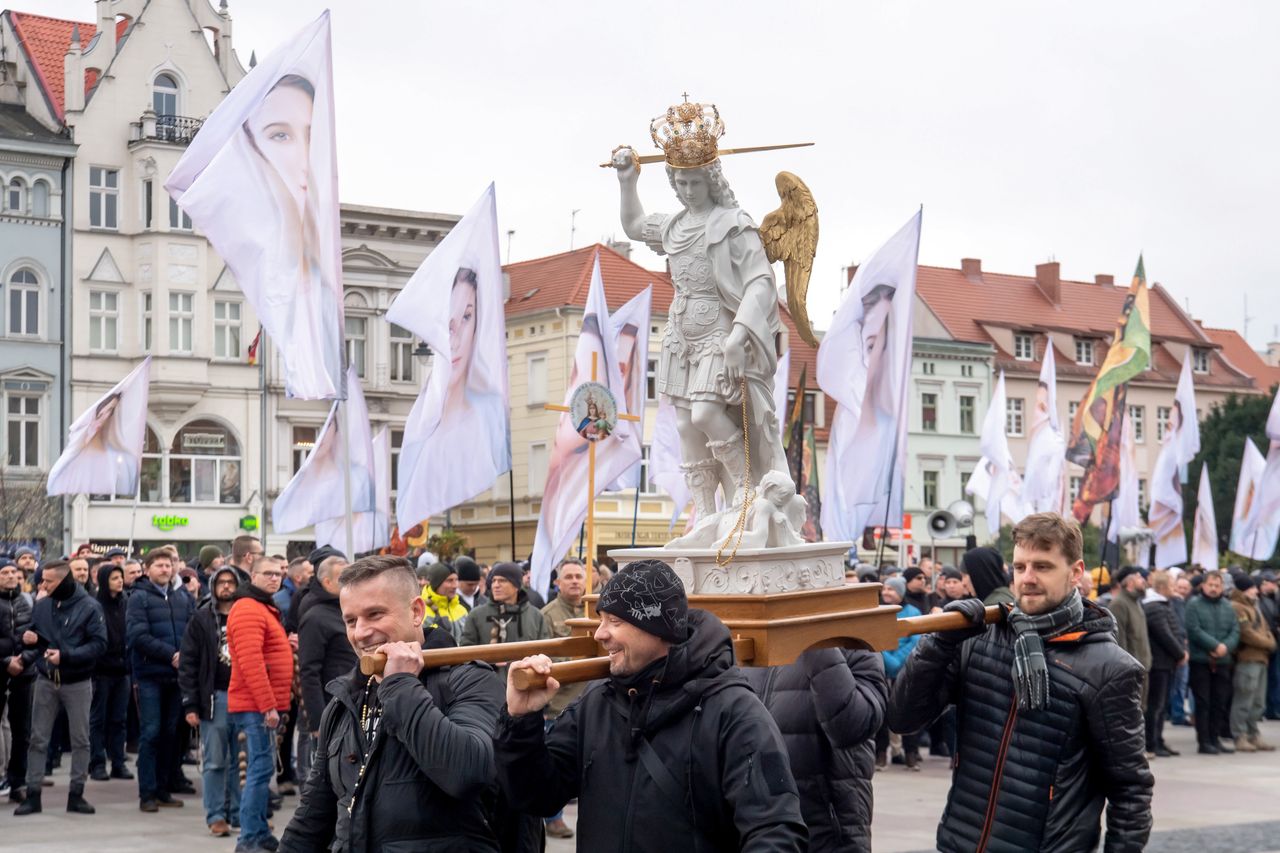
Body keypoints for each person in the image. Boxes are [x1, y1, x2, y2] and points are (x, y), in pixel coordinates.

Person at [496, 558, 806, 850]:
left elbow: (775, 830)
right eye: (601, 620)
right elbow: (537, 797)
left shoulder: (734, 712)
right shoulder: (596, 703)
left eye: (615, 621)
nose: (601, 634)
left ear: (657, 628)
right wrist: (521, 720)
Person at [888, 513, 1153, 851]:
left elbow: (1130, 789)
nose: (1027, 578)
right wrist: (941, 642)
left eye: (1042, 567)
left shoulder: (1109, 668)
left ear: (1075, 572)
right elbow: (903, 718)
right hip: (962, 842)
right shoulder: (979, 639)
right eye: (1020, 567)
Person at [279, 556, 504, 852]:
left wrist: (400, 685)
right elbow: (312, 816)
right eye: (350, 620)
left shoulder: (469, 680)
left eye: (374, 614)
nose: (360, 632)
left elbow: (466, 774)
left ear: (415, 611)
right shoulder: (346, 699)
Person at [16, 560, 107, 815]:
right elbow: (39, 638)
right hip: (46, 679)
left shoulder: (90, 607)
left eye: (48, 581)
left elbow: (99, 645)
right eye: (42, 580)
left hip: (77, 682)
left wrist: (66, 656)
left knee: (80, 740)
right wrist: (29, 640)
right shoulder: (43, 605)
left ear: (65, 581)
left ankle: (76, 794)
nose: (42, 585)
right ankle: (32, 794)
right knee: (37, 738)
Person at [227, 555, 293, 853]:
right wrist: (268, 705)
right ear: (251, 575)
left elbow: (262, 653)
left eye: (279, 573)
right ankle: (248, 838)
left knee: (262, 770)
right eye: (267, 573)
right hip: (256, 705)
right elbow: (250, 661)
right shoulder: (248, 609)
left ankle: (258, 831)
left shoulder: (262, 607)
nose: (274, 578)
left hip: (262, 703)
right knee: (258, 771)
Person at [127, 548, 195, 812]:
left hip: (177, 677)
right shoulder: (139, 597)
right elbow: (137, 636)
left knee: (171, 733)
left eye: (168, 565)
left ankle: (164, 788)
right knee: (151, 733)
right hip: (150, 675)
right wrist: (172, 655)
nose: (165, 569)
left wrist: (185, 655)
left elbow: (193, 629)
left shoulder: (182, 597)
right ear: (147, 569)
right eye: (159, 565)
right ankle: (147, 793)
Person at [179, 566, 242, 837]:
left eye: (231, 582)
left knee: (242, 763)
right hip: (214, 698)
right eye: (221, 583)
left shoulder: (248, 616)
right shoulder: (202, 619)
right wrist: (191, 704)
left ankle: (241, 813)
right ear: (213, 586)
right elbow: (189, 663)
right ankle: (216, 815)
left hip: (245, 698)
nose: (226, 587)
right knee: (216, 761)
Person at [537, 557, 588, 839]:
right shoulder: (548, 614)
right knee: (554, 762)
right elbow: (545, 660)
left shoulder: (595, 610)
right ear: (557, 582)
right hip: (558, 703)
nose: (574, 581)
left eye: (578, 576)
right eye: (568, 577)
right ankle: (553, 818)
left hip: (589, 699)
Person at [297, 555, 357, 740]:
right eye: (343, 578)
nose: (350, 583)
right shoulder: (315, 617)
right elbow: (309, 672)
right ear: (327, 582)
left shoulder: (351, 611)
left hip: (354, 703)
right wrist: (318, 721)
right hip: (332, 706)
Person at [1185, 570, 1240, 754]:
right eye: (1211, 585)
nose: (1214, 588)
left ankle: (1215, 738)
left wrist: (1225, 647)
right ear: (1203, 585)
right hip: (1201, 660)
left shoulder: (1228, 606)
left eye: (1217, 585)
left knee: (1219, 702)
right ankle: (1204, 741)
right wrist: (1215, 645)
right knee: (1203, 702)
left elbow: (1235, 630)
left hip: (1223, 661)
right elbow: (1193, 629)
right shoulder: (1194, 605)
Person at [88, 563, 132, 782]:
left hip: (122, 670)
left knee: (119, 719)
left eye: (120, 577)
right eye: (114, 578)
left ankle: (118, 762)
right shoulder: (95, 605)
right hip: (101, 670)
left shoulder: (126, 603)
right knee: (98, 718)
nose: (119, 581)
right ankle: (96, 762)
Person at [877, 577, 922, 770]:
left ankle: (911, 754)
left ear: (900, 593)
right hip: (883, 670)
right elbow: (875, 639)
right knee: (881, 715)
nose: (886, 592)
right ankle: (881, 755)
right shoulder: (876, 613)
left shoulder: (913, 613)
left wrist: (896, 662)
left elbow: (915, 641)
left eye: (891, 589)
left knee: (909, 712)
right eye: (884, 588)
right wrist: (887, 658)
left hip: (906, 671)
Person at [1228, 573, 1276, 752]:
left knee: (1258, 702)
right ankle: (1239, 735)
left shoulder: (1253, 606)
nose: (1256, 590)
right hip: (1247, 658)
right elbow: (1246, 633)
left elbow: (1266, 629)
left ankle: (1252, 733)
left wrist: (1269, 640)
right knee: (1244, 698)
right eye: (1252, 587)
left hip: (1260, 658)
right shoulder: (1238, 607)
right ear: (1244, 589)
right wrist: (1269, 643)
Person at [0, 560, 35, 802]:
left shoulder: (27, 602)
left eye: (14, 572)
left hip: (24, 672)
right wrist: (5, 661)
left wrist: (23, 659)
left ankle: (17, 783)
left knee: (22, 730)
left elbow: (39, 635)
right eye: (5, 572)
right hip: (2, 667)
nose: (11, 576)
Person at [1142, 570, 1187, 757]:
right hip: (1159, 663)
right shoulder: (1154, 607)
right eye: (1170, 585)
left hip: (1167, 663)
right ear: (1161, 587)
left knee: (1161, 704)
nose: (1174, 588)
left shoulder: (1163, 605)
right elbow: (1164, 635)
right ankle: (1152, 743)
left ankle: (1158, 739)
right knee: (1155, 705)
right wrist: (1179, 653)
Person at [459, 562, 551, 650]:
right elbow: (466, 653)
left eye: (502, 581)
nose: (496, 585)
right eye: (494, 581)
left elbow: (545, 651)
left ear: (516, 586)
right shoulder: (476, 615)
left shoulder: (535, 616)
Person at [1107, 565, 1153, 721]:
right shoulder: (1119, 604)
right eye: (1140, 577)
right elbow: (1119, 642)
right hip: (1131, 673)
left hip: (1142, 669)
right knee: (1129, 716)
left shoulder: (1136, 602)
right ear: (1130, 582)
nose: (1144, 581)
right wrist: (1128, 671)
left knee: (1141, 713)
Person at [419, 561, 467, 641]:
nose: (455, 585)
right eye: (450, 580)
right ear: (436, 584)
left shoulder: (462, 610)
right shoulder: (421, 612)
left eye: (456, 580)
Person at [274, 557, 313, 622]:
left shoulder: (313, 596)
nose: (314, 576)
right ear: (298, 577)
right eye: (311, 573)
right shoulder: (277, 601)